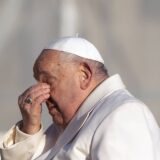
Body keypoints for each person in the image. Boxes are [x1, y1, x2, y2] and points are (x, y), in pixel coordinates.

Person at [0, 37, 160, 160]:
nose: (42, 94)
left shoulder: (123, 115)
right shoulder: (64, 128)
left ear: (84, 75)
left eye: (48, 81)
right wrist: (30, 129)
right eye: (38, 82)